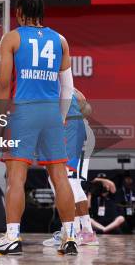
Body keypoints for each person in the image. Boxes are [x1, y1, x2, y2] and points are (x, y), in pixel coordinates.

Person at [0, 0, 78, 256]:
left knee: (16, 177)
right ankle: (70, 237)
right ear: (42, 13)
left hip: (23, 112)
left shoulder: (12, 38)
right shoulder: (60, 40)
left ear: (18, 12)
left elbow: (3, 83)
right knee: (61, 176)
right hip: (51, 113)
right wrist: (60, 117)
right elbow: (68, 87)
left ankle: (12, 237)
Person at [42, 88, 99, 246]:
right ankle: (79, 231)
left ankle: (77, 232)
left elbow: (85, 105)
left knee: (68, 182)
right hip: (69, 131)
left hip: (74, 131)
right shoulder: (56, 82)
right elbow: (82, 101)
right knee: (63, 181)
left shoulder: (59, 82)